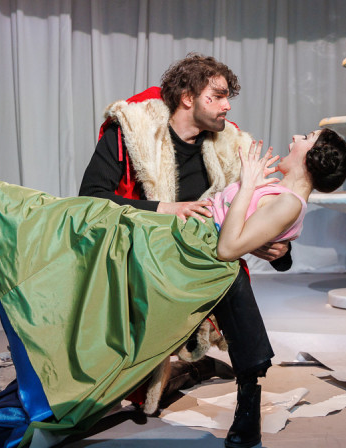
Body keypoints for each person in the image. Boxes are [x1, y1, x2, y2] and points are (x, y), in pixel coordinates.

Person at [0, 123, 346, 448]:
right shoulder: (281, 194)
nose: (296, 137)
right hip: (183, 244)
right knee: (81, 218)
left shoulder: (289, 202)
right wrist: (250, 196)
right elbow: (245, 237)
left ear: (313, 159)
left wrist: (248, 184)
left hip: (192, 257)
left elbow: (228, 248)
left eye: (307, 138)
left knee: (79, 221)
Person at [78, 54, 291, 436]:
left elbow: (264, 211)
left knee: (230, 271)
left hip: (203, 262)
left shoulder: (231, 149)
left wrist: (277, 250)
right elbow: (91, 198)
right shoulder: (130, 133)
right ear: (188, 97)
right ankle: (191, 369)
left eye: (228, 97)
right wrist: (165, 208)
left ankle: (249, 393)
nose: (227, 106)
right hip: (142, 258)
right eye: (218, 96)